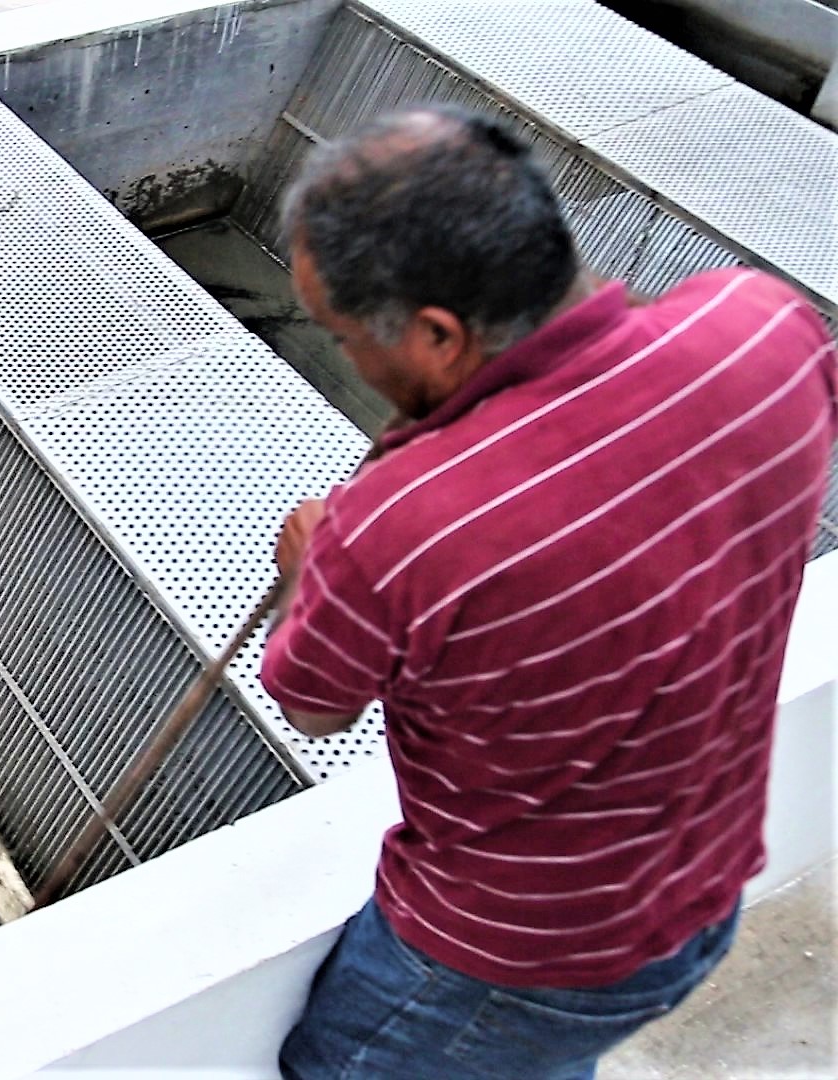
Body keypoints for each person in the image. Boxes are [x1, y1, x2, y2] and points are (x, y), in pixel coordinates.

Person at [258, 106, 837, 1079]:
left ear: (440, 335)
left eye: (344, 336)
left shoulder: (396, 528)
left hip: (511, 960)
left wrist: (305, 576)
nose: (351, 361)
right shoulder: (761, 329)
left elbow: (314, 705)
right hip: (706, 886)